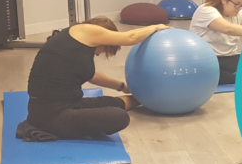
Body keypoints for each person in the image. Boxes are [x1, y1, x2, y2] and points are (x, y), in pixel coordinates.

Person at [21, 16, 170, 141]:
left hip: (59, 106)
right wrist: (156, 27)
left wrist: (124, 87)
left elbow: (92, 75)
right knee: (119, 117)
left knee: (113, 102)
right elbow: (130, 38)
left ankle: (145, 99)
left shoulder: (74, 40)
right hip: (52, 116)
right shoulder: (87, 31)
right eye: (104, 48)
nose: (98, 54)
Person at [189, 0, 242, 85]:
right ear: (223, 0)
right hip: (205, 60)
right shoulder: (206, 10)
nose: (239, 8)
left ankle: (234, 76)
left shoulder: (239, 12)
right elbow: (228, 29)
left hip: (228, 59)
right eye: (237, 4)